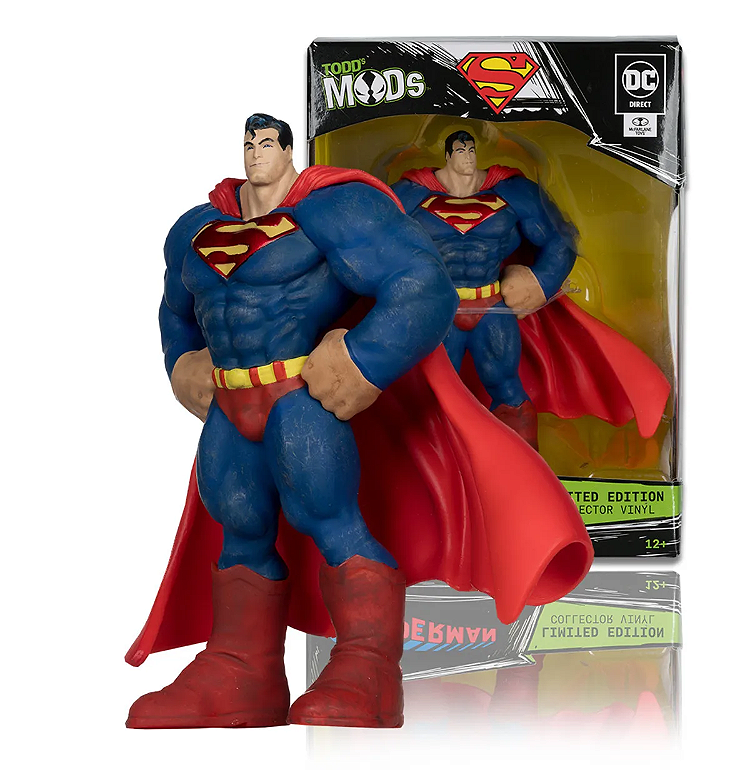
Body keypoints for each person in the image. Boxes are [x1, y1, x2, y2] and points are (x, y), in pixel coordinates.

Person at [126, 115, 592, 730]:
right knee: (238, 520)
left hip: (301, 393)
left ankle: (368, 667)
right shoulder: (195, 227)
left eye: (266, 143)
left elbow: (422, 283)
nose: (255, 153)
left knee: (329, 515)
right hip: (230, 402)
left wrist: (365, 360)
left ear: (288, 149)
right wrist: (181, 361)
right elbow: (175, 309)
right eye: (248, 143)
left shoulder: (333, 208)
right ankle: (241, 670)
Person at [392, 131, 670, 450]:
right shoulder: (410, 194)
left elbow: (560, 238)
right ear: (448, 155)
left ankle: (522, 465)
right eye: (460, 151)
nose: (468, 156)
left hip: (491, 306)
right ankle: (438, 470)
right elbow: (370, 242)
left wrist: (539, 281)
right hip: (438, 310)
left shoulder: (511, 190)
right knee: (430, 396)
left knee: (507, 388)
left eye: (471, 149)